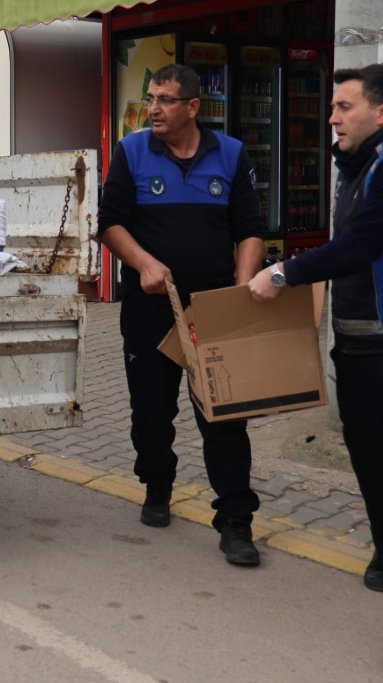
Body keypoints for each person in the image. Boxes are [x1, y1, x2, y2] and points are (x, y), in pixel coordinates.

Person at [247, 64, 383, 657]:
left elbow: (361, 246)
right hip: (362, 347)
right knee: (369, 456)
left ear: (382, 112)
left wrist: (284, 271)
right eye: (333, 108)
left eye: (344, 107)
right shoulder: (357, 166)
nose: (333, 117)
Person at [97, 64, 265, 567]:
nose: (153, 109)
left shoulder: (230, 155)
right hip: (151, 309)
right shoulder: (131, 151)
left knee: (224, 419)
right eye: (151, 99)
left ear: (193, 107)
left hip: (211, 312)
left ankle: (235, 521)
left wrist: (240, 290)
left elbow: (250, 228)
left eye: (166, 100)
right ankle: (157, 482)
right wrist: (144, 263)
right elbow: (110, 224)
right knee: (151, 413)